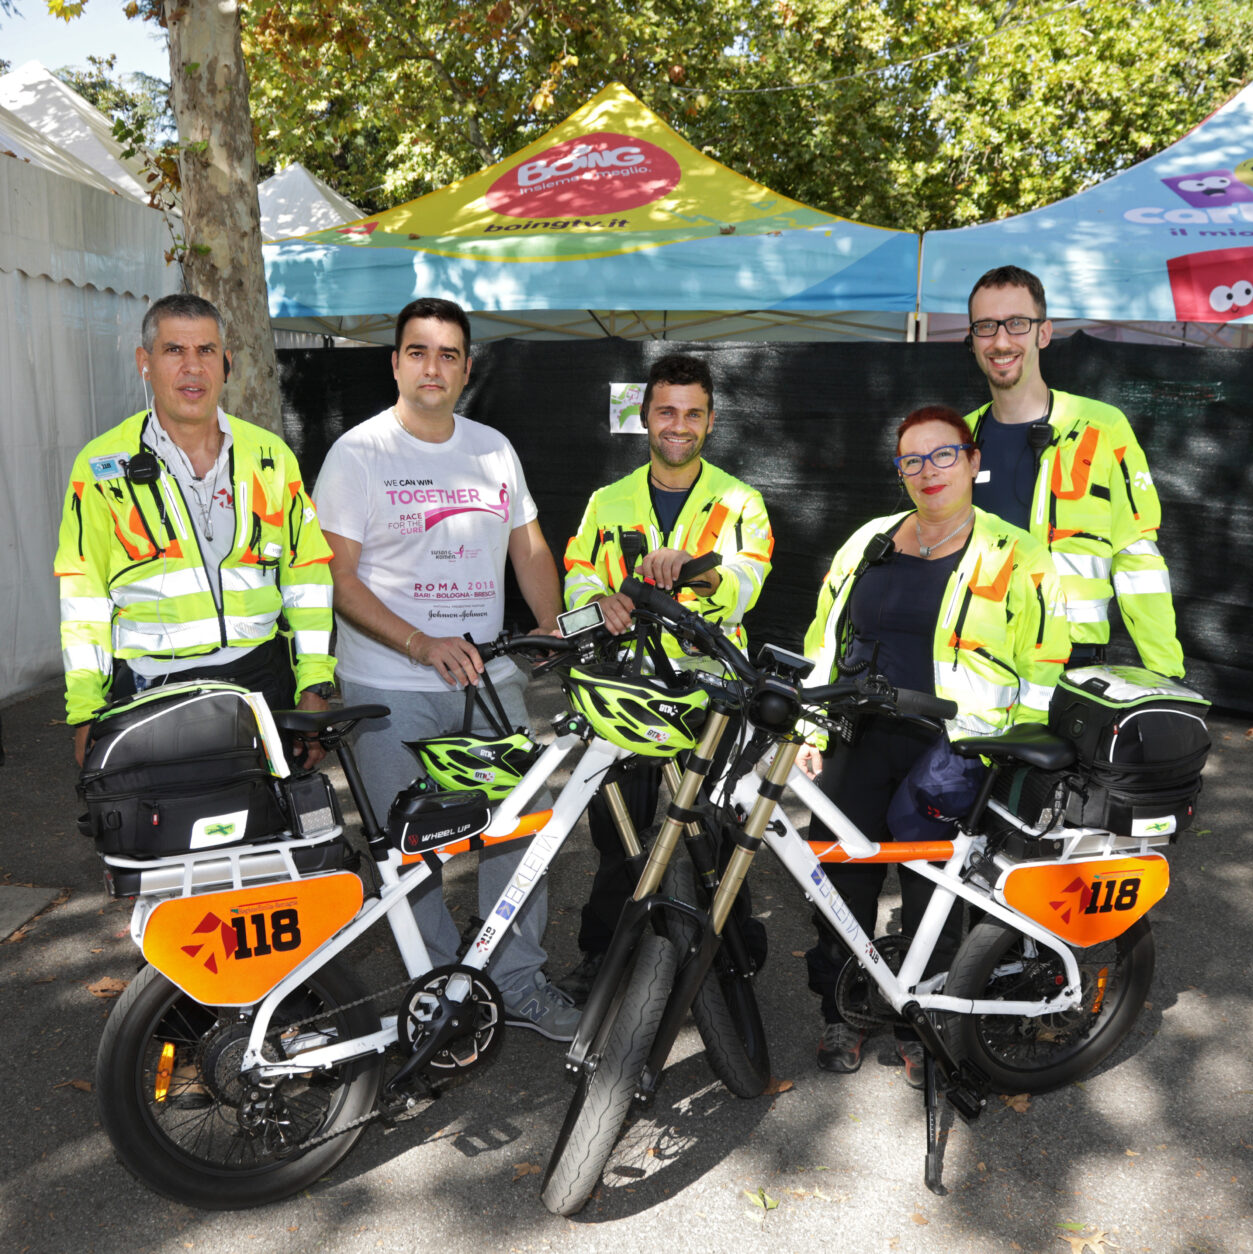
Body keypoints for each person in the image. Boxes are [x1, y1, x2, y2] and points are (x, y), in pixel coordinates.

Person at [312, 297, 576, 1040]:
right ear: (395, 363)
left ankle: (517, 980)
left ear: (465, 368)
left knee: (514, 835)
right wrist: (419, 643)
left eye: (449, 353)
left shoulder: (493, 448)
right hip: (389, 688)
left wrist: (550, 626)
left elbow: (528, 547)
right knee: (410, 850)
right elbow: (339, 577)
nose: (434, 366)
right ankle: (439, 987)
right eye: (419, 351)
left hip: (487, 688)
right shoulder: (358, 454)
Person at [797, 405, 1070, 1082]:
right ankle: (845, 1009)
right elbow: (824, 638)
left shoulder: (1019, 555)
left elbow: (1045, 665)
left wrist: (1015, 759)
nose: (928, 472)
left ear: (974, 462)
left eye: (943, 455)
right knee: (839, 870)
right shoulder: (869, 540)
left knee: (930, 877)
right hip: (856, 731)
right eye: (912, 460)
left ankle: (922, 1019)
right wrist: (808, 728)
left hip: (956, 743)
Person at [559, 352, 774, 999]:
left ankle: (726, 955)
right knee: (619, 833)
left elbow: (746, 585)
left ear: (710, 421)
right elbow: (576, 579)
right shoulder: (607, 501)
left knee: (712, 830)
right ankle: (605, 954)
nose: (677, 425)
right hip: (628, 690)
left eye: (692, 414)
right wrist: (599, 602)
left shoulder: (742, 502)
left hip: (710, 697)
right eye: (665, 412)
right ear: (646, 417)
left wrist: (698, 570)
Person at [55, 293, 335, 767]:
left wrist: (315, 688)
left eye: (206, 351)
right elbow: (84, 599)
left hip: (262, 686)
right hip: (152, 692)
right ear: (145, 363)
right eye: (174, 351)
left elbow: (308, 582)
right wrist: (85, 712)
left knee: (273, 834)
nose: (192, 367)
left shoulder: (270, 458)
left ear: (226, 363)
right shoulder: (101, 468)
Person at [963, 265, 1183, 676]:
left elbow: (1139, 562)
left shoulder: (1103, 428)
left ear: (1043, 334)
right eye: (986, 327)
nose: (1001, 340)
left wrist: (1167, 676)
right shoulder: (959, 442)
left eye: (1016, 323)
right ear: (972, 340)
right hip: (978, 666)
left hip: (1072, 670)